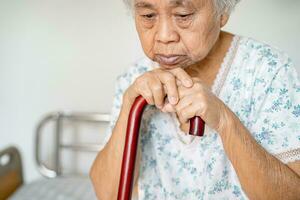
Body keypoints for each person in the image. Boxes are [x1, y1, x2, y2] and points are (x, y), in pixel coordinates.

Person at [90, 0, 300, 199]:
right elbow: (107, 195)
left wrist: (225, 122)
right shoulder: (133, 78)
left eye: (183, 15)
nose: (164, 36)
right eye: (148, 15)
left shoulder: (267, 69)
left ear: (222, 12)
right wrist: (129, 107)